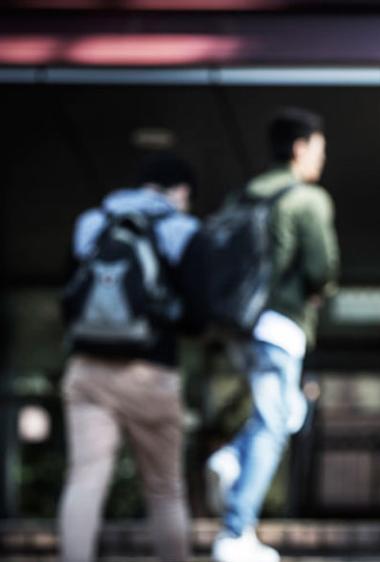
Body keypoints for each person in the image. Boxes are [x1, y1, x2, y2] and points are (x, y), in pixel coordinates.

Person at [206, 106, 339, 562]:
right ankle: (235, 533)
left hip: (238, 325)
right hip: (280, 326)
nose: (321, 159)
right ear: (300, 148)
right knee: (274, 423)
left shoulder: (242, 197)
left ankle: (231, 459)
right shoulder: (307, 199)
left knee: (285, 412)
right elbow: (322, 269)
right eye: (319, 149)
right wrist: (317, 291)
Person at [58, 152, 201, 562]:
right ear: (183, 191)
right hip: (151, 373)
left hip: (87, 369)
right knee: (164, 489)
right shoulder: (181, 229)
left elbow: (68, 297)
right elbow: (199, 312)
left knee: (85, 479)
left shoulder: (92, 223)